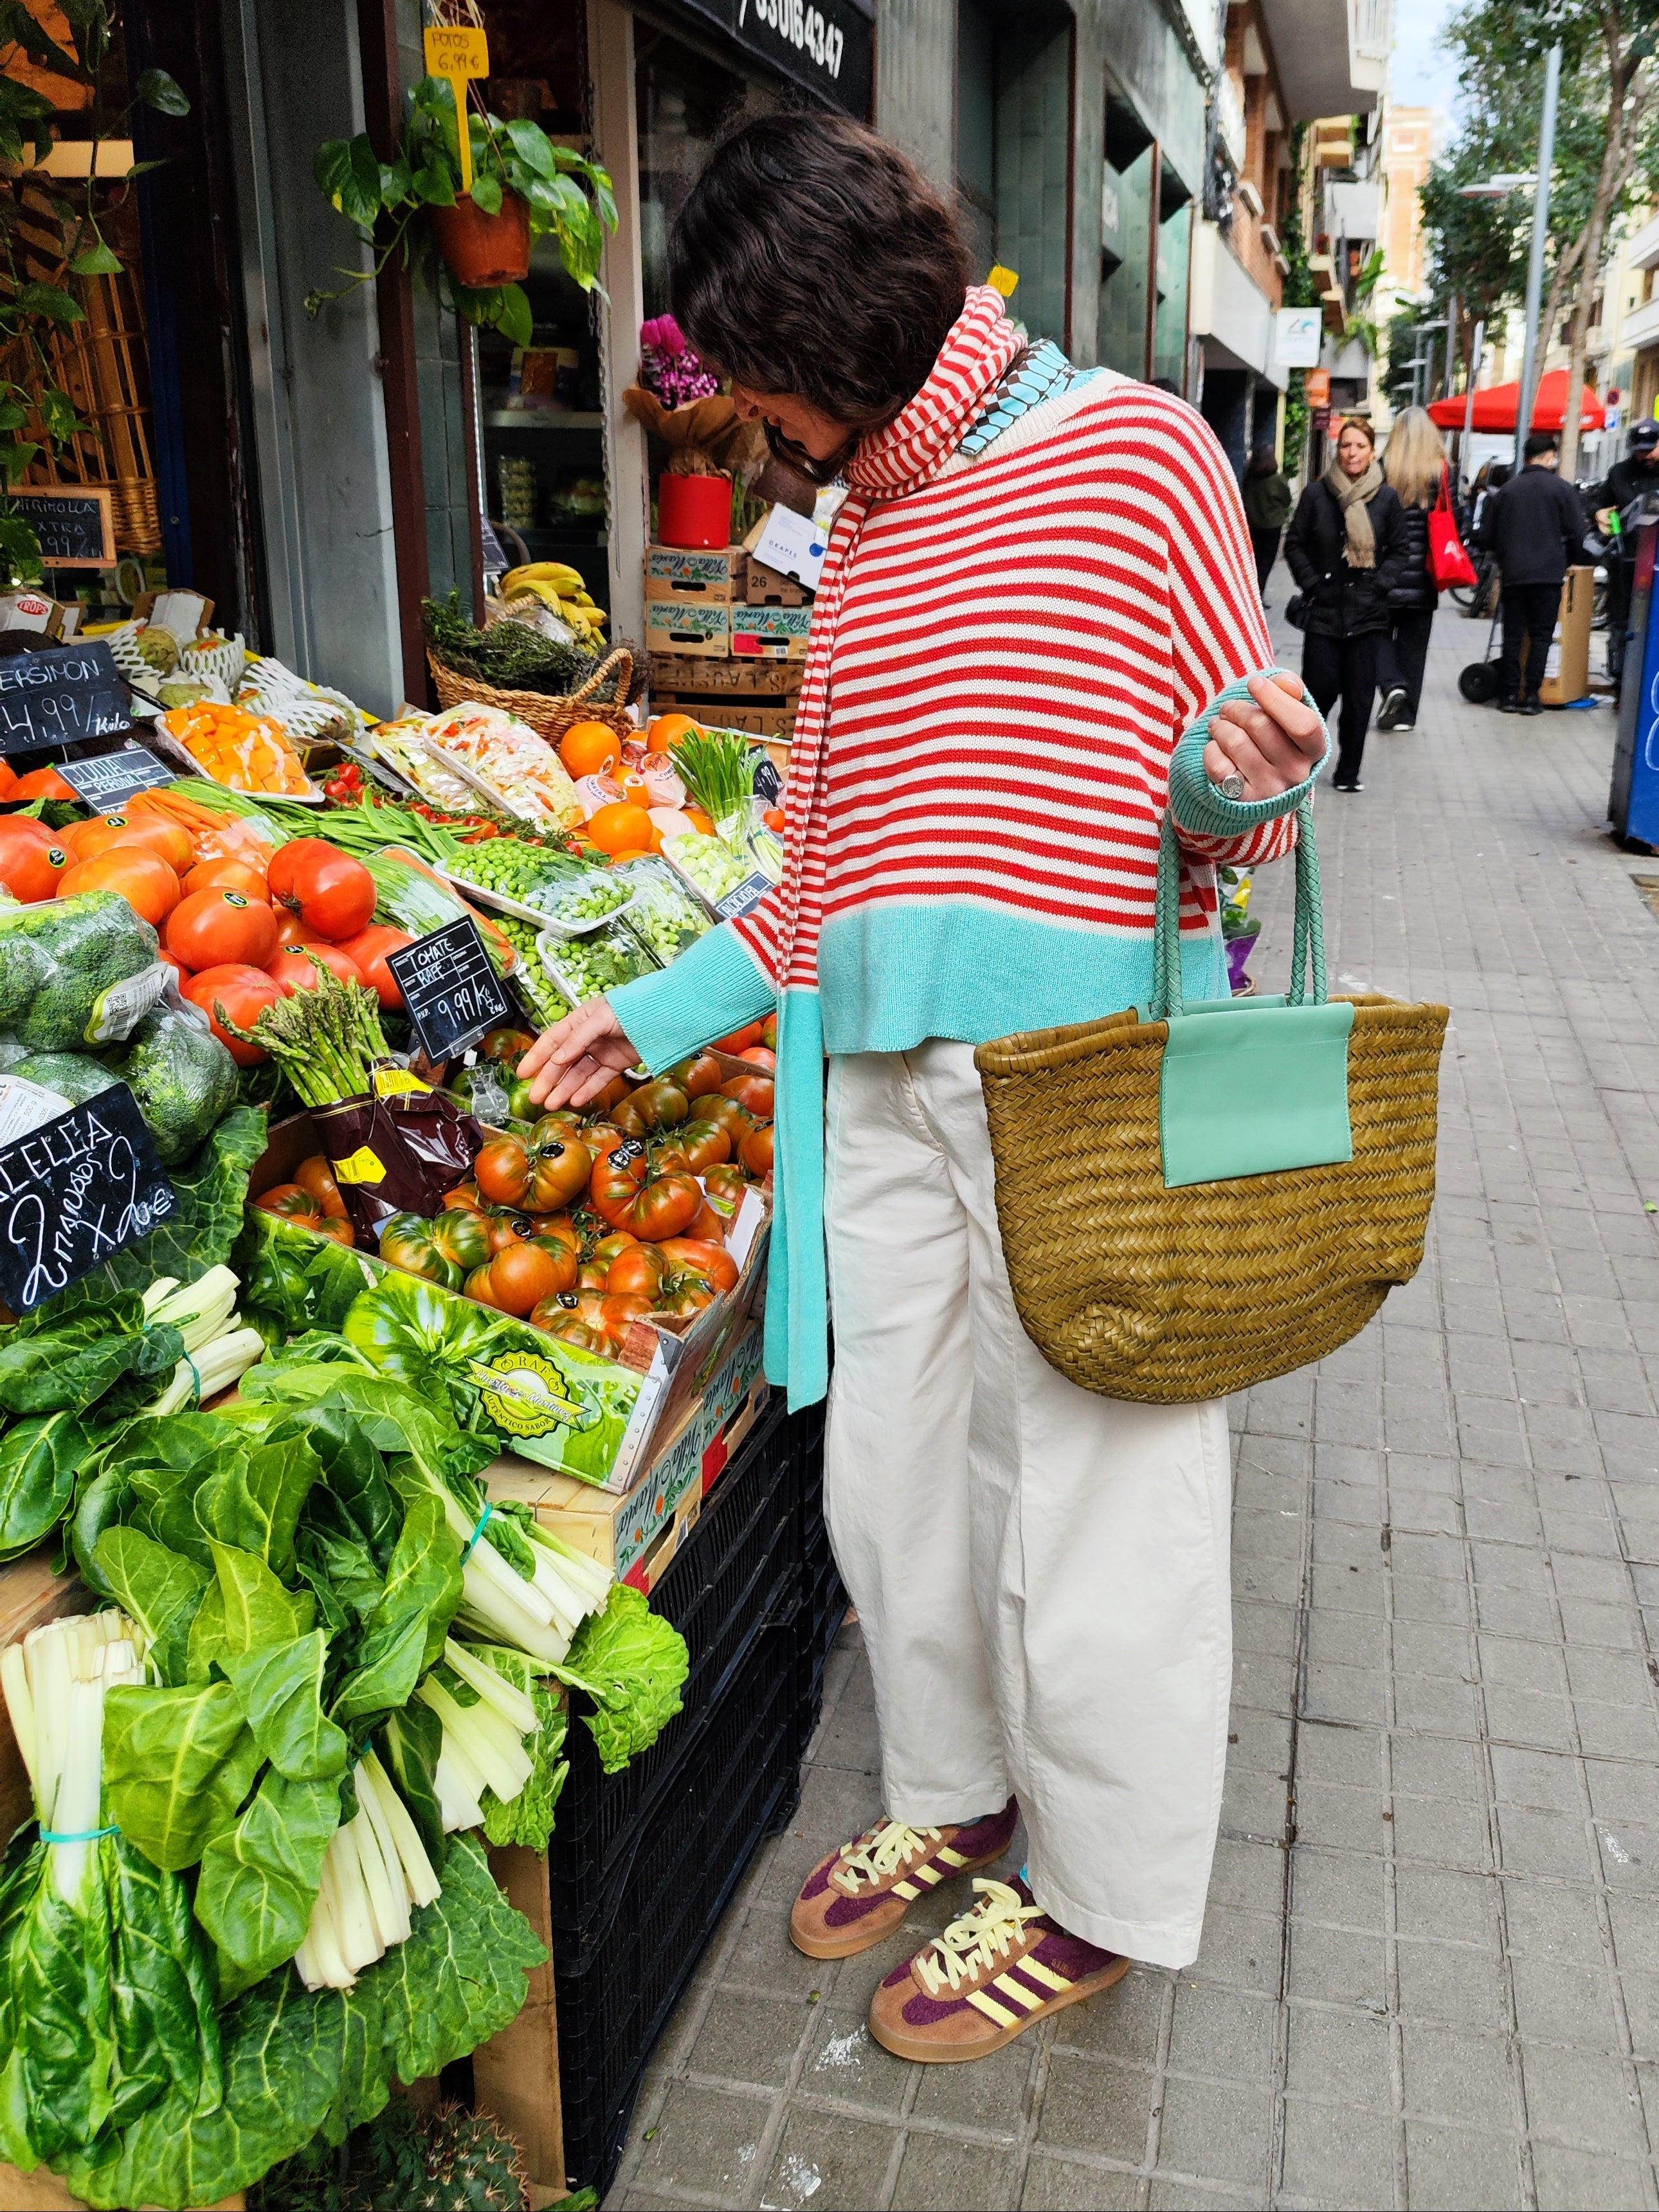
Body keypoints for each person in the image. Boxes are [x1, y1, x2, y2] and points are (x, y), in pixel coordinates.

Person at [518, 113, 1327, 2065]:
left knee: (1099, 1499)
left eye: (746, 367)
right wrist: (656, 1009)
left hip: (1071, 1086)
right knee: (894, 1488)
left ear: (826, 329)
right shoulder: (868, 517)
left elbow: (1243, 814)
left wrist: (1234, 778)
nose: (739, 418)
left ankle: (1099, 1890)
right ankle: (955, 1790)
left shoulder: (1132, 453)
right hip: (873, 1083)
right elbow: (818, 879)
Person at [1283, 414, 1408, 790]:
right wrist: (1312, 585)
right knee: (1316, 697)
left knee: (1359, 702)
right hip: (1323, 613)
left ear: (1372, 452)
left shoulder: (1386, 498)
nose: (1352, 453)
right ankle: (1299, 769)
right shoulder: (1317, 494)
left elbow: (1401, 550)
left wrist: (1379, 586)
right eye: (1346, 445)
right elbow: (1295, 543)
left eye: (1360, 446)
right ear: (1338, 450)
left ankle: (1348, 773)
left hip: (1367, 617)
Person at [1478, 428, 1591, 714]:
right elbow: (1577, 534)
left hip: (1514, 575)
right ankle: (1532, 697)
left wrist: (1504, 554)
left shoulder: (1507, 490)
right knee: (1541, 637)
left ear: (1527, 458)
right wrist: (1570, 559)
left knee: (1513, 636)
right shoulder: (1562, 490)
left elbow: (1486, 537)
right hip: (1549, 576)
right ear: (1550, 457)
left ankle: (1508, 696)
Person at [1375, 406, 1449, 732]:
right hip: (1425, 575)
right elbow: (1452, 518)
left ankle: (1391, 685)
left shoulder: (1382, 469)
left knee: (1376, 636)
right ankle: (1406, 716)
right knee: (1414, 648)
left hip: (1386, 572)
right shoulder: (1441, 473)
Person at [1590, 417, 1659, 694]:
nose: (1646, 455)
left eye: (1652, 449)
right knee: (1622, 622)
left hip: (1657, 564)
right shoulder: (1619, 473)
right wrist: (1598, 513)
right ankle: (1621, 681)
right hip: (1625, 563)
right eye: (1640, 450)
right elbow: (1598, 501)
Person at [1242, 444, 1293, 603]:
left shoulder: (1249, 480)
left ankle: (1251, 592)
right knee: (1266, 561)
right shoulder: (1277, 480)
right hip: (1272, 527)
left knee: (1253, 560)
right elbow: (1287, 499)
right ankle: (1259, 593)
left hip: (1253, 525)